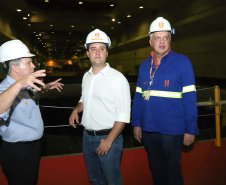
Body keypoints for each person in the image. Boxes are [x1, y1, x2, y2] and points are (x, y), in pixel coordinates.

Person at [132, 17, 199, 185]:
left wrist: (190, 129)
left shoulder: (183, 62)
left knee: (172, 173)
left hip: (172, 131)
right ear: (150, 41)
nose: (162, 41)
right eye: (157, 37)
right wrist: (137, 123)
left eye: (166, 37)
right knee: (156, 170)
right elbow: (139, 98)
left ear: (170, 39)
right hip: (148, 130)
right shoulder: (144, 66)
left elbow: (190, 99)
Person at [69, 29, 131, 185]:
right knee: (95, 180)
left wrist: (109, 141)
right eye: (93, 49)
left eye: (102, 48)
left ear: (107, 53)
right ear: (88, 53)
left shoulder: (118, 79)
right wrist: (76, 109)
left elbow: (123, 116)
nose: (97, 52)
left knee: (112, 181)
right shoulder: (86, 76)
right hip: (86, 137)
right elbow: (84, 99)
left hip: (108, 138)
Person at [0, 40, 64, 185]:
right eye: (29, 62)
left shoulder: (26, 86)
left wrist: (47, 87)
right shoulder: (5, 89)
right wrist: (19, 84)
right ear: (15, 67)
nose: (33, 66)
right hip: (18, 152)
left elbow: (35, 93)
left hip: (33, 148)